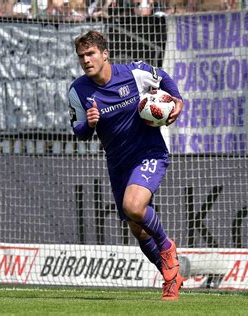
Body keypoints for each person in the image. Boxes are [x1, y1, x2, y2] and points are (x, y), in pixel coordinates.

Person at [68, 31, 184, 300]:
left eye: (91, 53)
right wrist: (90, 123)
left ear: (105, 53)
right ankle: (172, 278)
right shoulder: (78, 90)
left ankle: (167, 248)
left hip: (149, 152)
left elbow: (163, 77)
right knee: (136, 226)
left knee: (134, 206)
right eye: (81, 56)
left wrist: (177, 101)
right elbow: (79, 131)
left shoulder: (134, 73)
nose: (86, 60)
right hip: (117, 162)